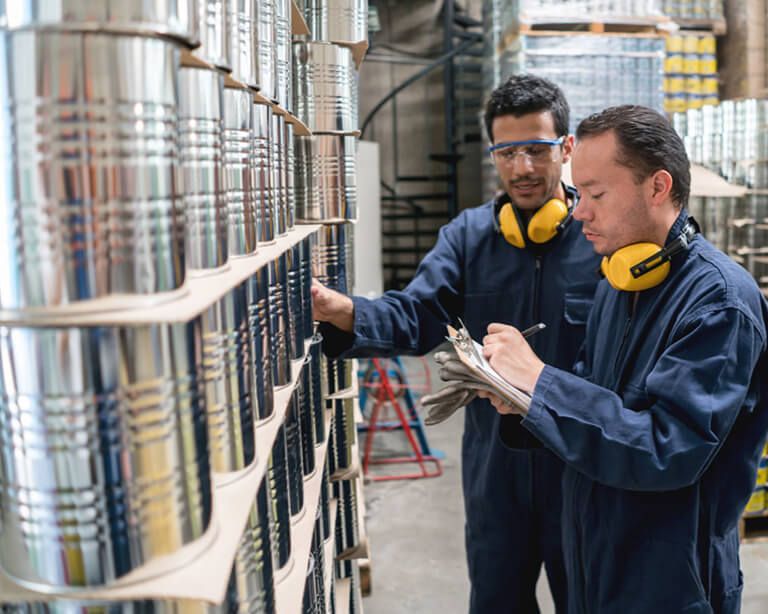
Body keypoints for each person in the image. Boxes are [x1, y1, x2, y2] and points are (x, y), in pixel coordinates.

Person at [312, 74, 603, 613]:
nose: (522, 168)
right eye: (507, 152)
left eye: (537, 150)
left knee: (588, 596)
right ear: (492, 155)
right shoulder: (469, 237)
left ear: (565, 148)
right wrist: (344, 311)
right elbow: (420, 315)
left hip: (582, 457)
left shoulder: (600, 235)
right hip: (497, 463)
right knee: (496, 599)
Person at [479, 105, 768, 613]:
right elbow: (596, 392)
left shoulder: (720, 304)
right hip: (596, 562)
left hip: (671, 585)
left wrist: (542, 381)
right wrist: (524, 403)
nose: (578, 211)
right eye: (579, 193)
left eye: (595, 194)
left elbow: (666, 448)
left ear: (657, 187)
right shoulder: (619, 281)